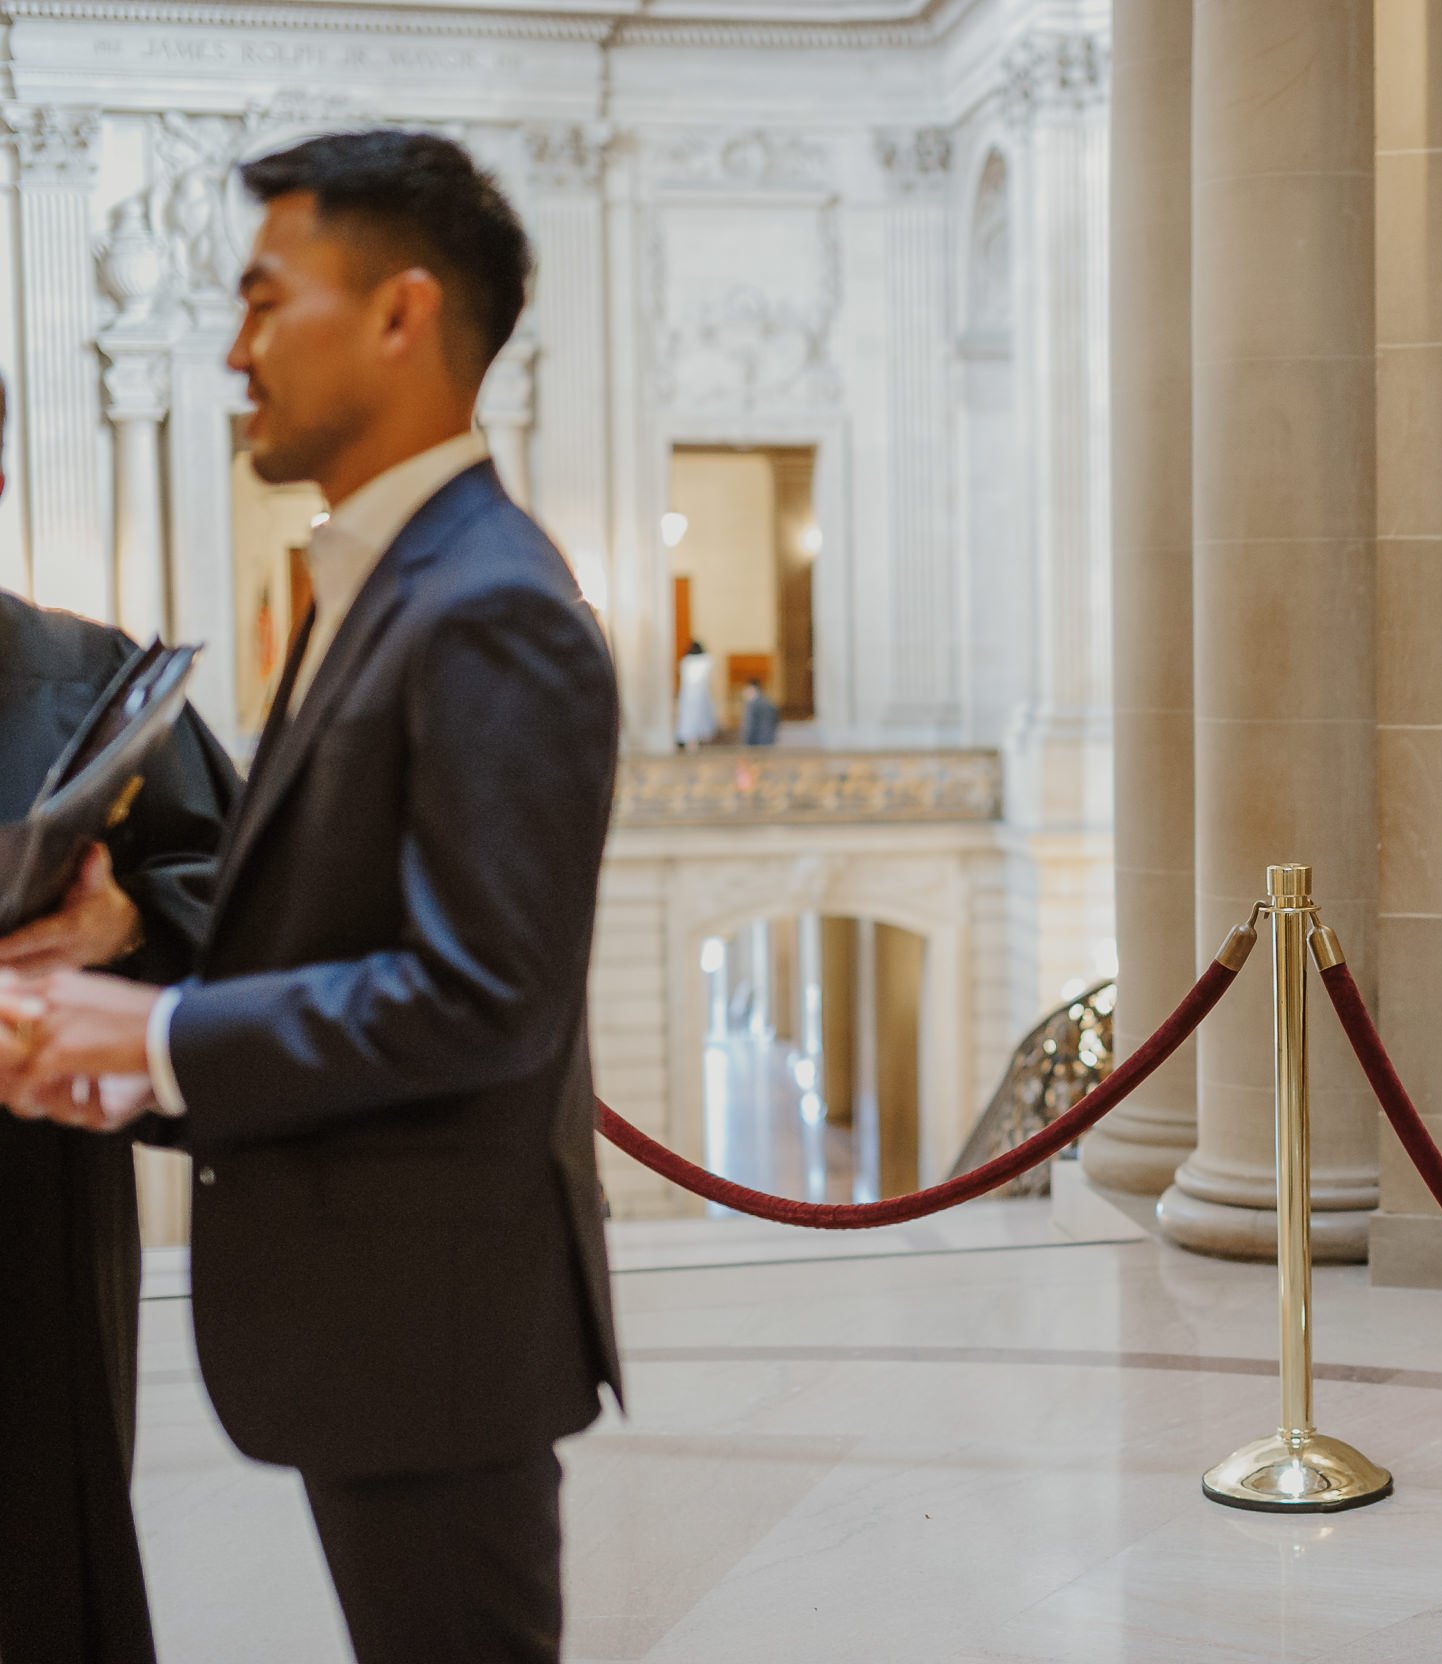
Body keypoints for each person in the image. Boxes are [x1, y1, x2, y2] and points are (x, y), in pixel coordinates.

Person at [0, 131, 621, 1663]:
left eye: (267, 301)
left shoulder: (487, 607)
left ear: (403, 315)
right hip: (386, 1329)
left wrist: (143, 1043)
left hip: (437, 1335)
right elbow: (326, 927)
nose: (233, 348)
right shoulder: (396, 579)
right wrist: (127, 964)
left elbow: (481, 999)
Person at [0, 375, 240, 1664]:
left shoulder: (82, 679)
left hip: (26, 1216)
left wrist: (126, 926)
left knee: (41, 1555)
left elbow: (256, 897)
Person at [676, 637, 718, 747]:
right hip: (701, 693)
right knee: (701, 717)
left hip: (688, 694)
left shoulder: (686, 661)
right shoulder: (707, 660)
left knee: (689, 718)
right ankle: (701, 739)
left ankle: (691, 741)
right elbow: (710, 679)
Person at [739, 676, 780, 746]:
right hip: (769, 741)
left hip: (755, 744)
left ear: (751, 688)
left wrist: (746, 745)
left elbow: (750, 727)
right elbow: (777, 721)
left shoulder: (752, 705)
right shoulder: (769, 702)